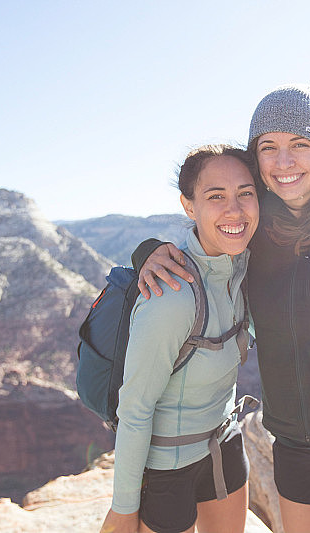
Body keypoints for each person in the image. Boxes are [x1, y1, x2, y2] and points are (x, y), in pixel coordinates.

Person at [133, 84, 310, 533]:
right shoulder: (254, 227)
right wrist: (148, 251)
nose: (284, 161)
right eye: (269, 148)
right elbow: (205, 243)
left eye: (301, 144)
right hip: (295, 447)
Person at [99, 145, 259, 533]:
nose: (234, 210)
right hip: (167, 468)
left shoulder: (247, 267)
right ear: (189, 206)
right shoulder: (172, 293)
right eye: (215, 196)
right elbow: (135, 409)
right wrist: (124, 508)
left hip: (224, 443)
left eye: (246, 193)